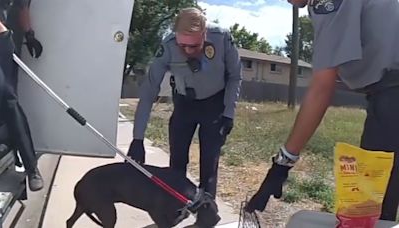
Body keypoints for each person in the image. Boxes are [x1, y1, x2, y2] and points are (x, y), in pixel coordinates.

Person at [245, 0, 399, 221]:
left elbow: (321, 89)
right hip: (387, 93)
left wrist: (282, 165)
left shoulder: (328, 3)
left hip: (393, 95)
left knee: (370, 208)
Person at [127, 7, 242, 201]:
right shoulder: (169, 45)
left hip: (214, 105)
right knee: (177, 163)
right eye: (183, 46)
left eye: (195, 46)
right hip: (184, 105)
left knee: (209, 164)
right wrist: (137, 138)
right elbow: (149, 90)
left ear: (205, 33)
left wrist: (229, 113)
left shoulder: (221, 38)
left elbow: (235, 76)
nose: (188, 51)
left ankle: (206, 214)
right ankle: (175, 207)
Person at [0, 0, 44, 191]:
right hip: (3, 36)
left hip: (3, 41)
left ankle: (30, 166)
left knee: (8, 99)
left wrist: (29, 34)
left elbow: (22, 6)